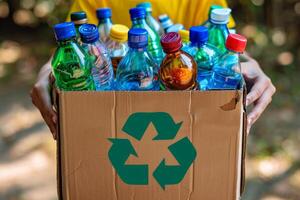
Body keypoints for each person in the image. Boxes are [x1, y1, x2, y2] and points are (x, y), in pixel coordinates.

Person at [30, 0, 276, 139]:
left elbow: (227, 45)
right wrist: (46, 72)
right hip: (104, 121)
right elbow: (74, 49)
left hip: (196, 123)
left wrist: (252, 65)